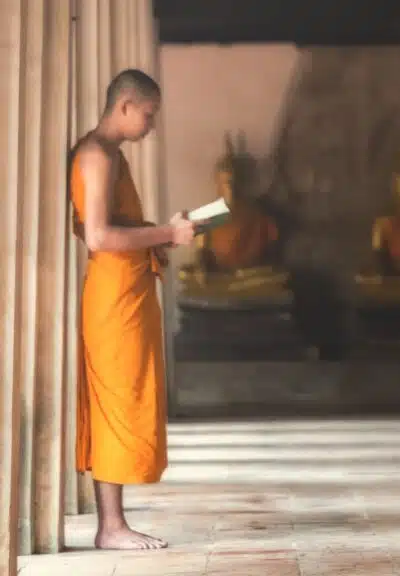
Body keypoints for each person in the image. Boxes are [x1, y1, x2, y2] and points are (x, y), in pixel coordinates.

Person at [70, 69, 198, 550]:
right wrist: (165, 234)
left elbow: (89, 229)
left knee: (126, 397)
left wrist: (154, 232)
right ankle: (111, 526)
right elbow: (99, 236)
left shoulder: (109, 156)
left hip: (125, 290)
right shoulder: (95, 155)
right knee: (116, 403)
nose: (150, 125)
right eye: (148, 114)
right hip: (112, 296)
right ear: (125, 105)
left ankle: (113, 523)